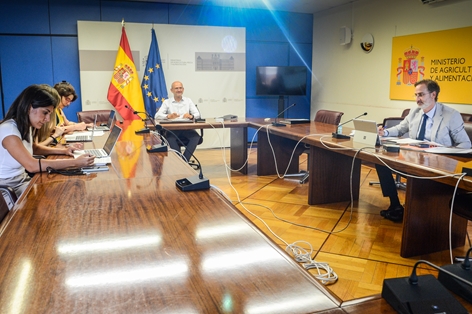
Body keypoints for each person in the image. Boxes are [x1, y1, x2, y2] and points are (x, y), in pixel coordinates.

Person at [376, 79, 471, 222]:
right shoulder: (415, 112)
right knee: (381, 161)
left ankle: (419, 212)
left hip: (439, 164)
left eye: (421, 95)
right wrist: (385, 133)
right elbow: (401, 128)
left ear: (433, 94)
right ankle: (395, 205)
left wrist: (441, 150)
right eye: (415, 95)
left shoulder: (450, 115)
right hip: (414, 158)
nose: (417, 99)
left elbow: (465, 144)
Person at [0, 84, 96, 199]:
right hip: (7, 189)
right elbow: (32, 165)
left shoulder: (25, 125)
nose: (47, 119)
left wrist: (64, 151)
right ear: (29, 107)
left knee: (63, 190)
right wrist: (76, 162)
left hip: (22, 180)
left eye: (49, 114)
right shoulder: (9, 130)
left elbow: (34, 148)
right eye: (45, 112)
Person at [154, 81, 201, 162]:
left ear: (183, 89)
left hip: (187, 129)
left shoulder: (188, 101)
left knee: (196, 137)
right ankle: (182, 162)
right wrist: (168, 116)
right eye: (176, 88)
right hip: (172, 130)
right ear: (171, 90)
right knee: (169, 138)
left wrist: (191, 116)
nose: (179, 90)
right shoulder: (167, 102)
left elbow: (198, 114)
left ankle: (183, 162)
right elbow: (157, 116)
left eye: (180, 88)